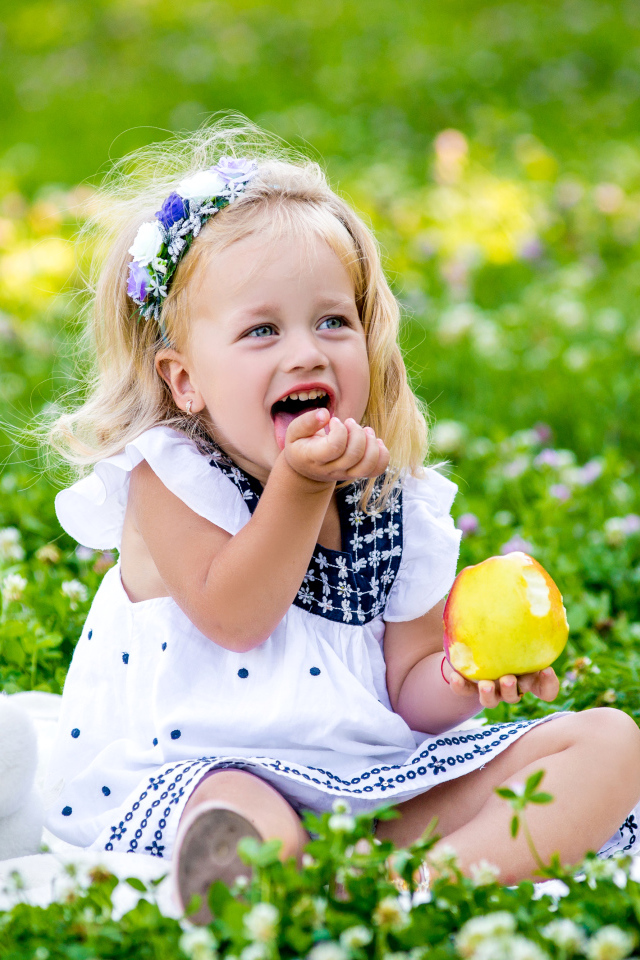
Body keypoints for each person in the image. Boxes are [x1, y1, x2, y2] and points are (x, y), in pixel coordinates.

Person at [44, 122, 640, 916]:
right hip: (215, 766)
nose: (308, 353)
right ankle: (267, 872)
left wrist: (464, 676)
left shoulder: (397, 501)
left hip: (377, 788)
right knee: (239, 814)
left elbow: (409, 692)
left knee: (608, 744)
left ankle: (416, 879)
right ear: (184, 379)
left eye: (333, 321)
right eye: (263, 331)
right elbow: (234, 616)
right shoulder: (171, 474)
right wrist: (297, 486)